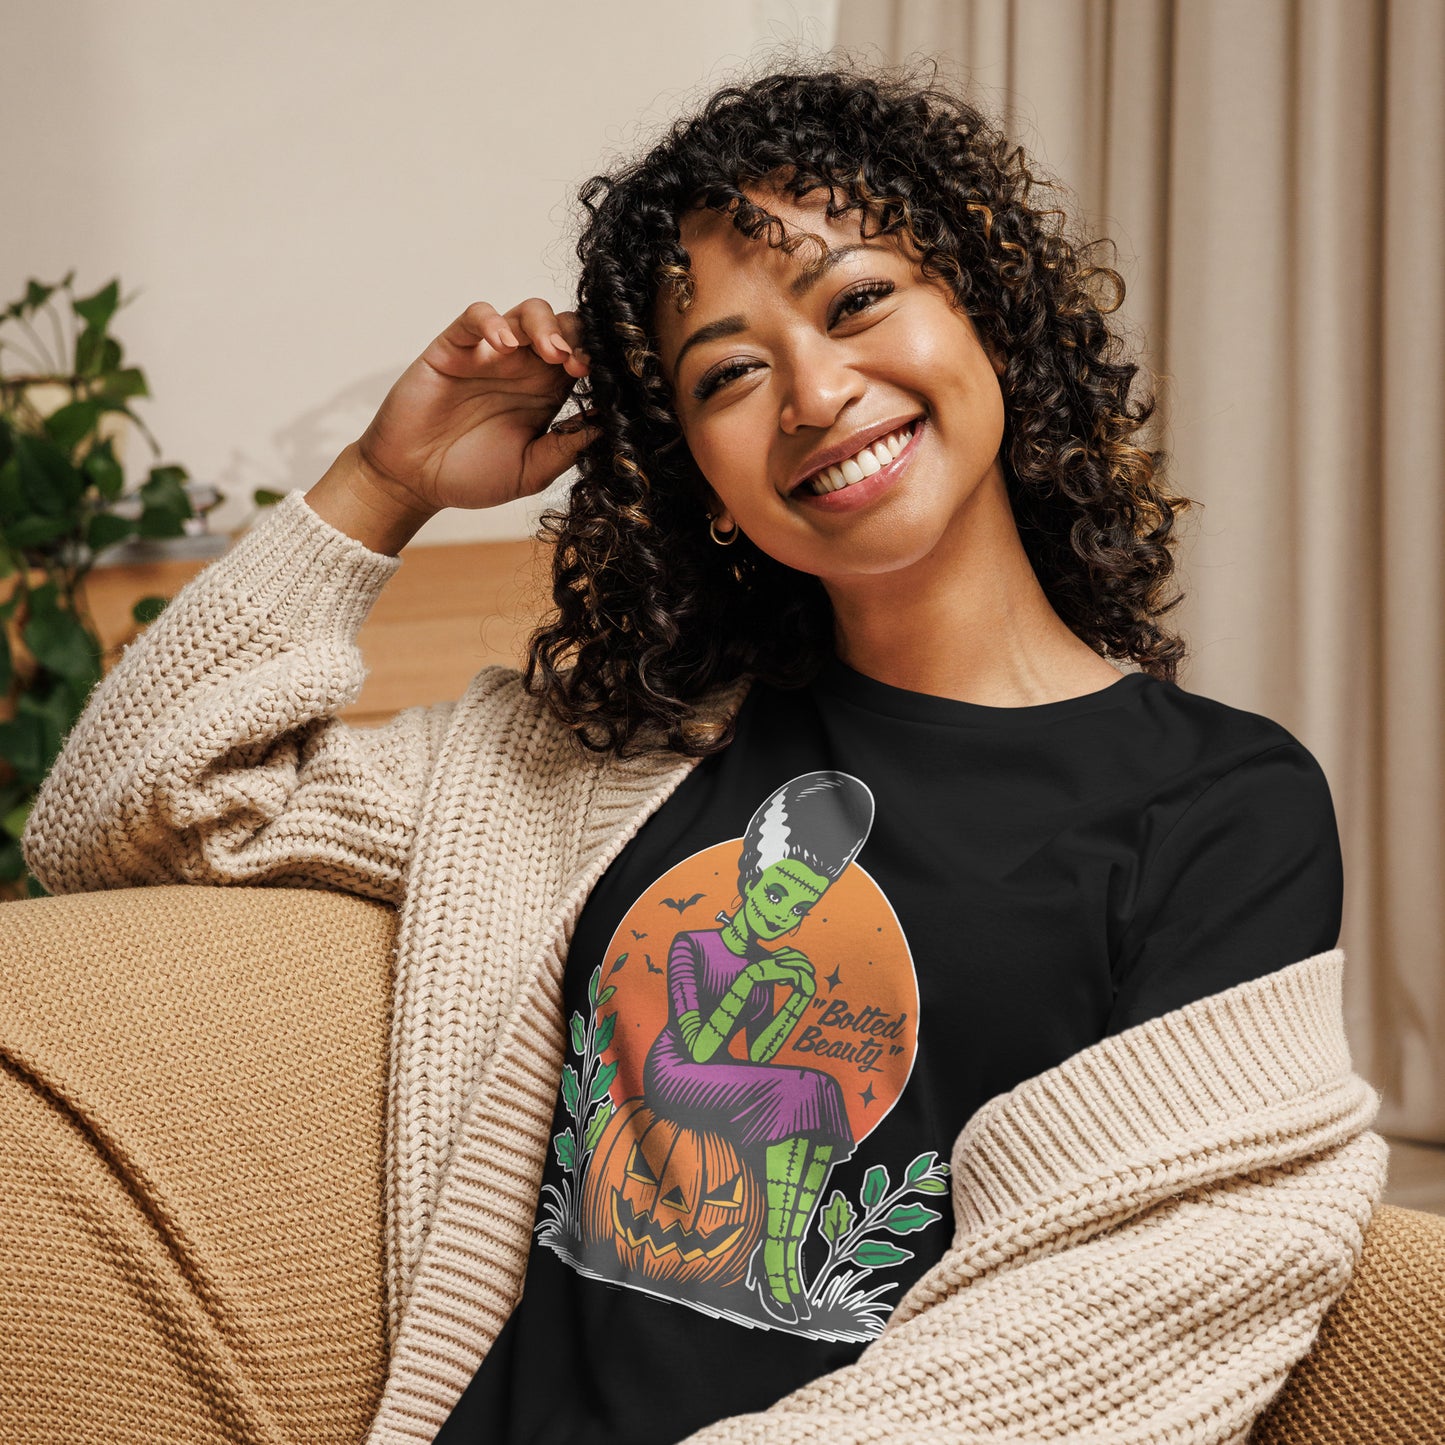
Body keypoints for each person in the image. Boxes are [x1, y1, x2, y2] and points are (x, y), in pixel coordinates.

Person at [15, 60, 1384, 1445]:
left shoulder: (1217, 804)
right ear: (702, 480)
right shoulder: (610, 761)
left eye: (857, 301)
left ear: (986, 315)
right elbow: (127, 814)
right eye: (728, 371)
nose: (812, 390)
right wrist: (383, 483)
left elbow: (1121, 1312)